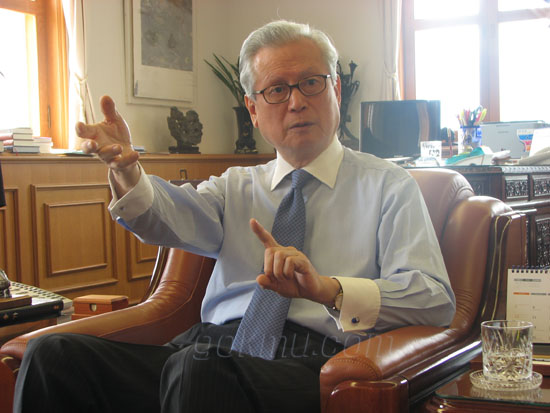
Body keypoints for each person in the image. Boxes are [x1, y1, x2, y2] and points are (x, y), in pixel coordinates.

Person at [13, 20, 455, 412]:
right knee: (53, 356)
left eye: (311, 83)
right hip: (208, 346)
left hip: (313, 358)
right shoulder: (234, 187)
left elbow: (434, 299)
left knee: (197, 370)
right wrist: (126, 170)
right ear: (253, 110)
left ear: (336, 91)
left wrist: (328, 289)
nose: (297, 102)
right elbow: (164, 217)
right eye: (277, 90)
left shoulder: (389, 186)